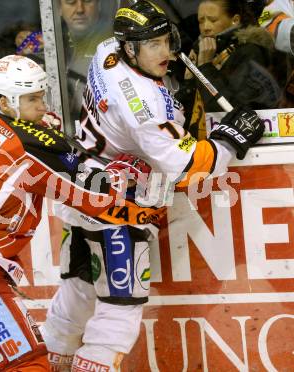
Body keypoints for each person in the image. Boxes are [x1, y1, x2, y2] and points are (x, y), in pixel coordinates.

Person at [41, 1, 265, 371]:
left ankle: (45, 364)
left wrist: (170, 62)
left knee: (78, 295)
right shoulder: (142, 108)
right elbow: (186, 168)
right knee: (118, 314)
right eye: (155, 45)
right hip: (118, 208)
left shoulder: (106, 50)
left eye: (168, 40)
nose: (168, 52)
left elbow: (152, 87)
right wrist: (228, 140)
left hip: (83, 195)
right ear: (131, 49)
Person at [0, 55, 154, 372]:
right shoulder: (31, 144)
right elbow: (92, 194)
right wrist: (126, 174)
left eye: (42, 96)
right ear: (4, 102)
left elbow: (8, 146)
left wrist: (32, 127)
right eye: (32, 99)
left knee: (0, 365)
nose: (42, 106)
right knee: (29, 365)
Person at [177, 0, 280, 132]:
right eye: (201, 21)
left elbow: (231, 110)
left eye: (213, 20)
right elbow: (184, 111)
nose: (205, 27)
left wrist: (205, 67)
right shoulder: (202, 51)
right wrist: (190, 80)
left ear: (235, 20)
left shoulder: (251, 53)